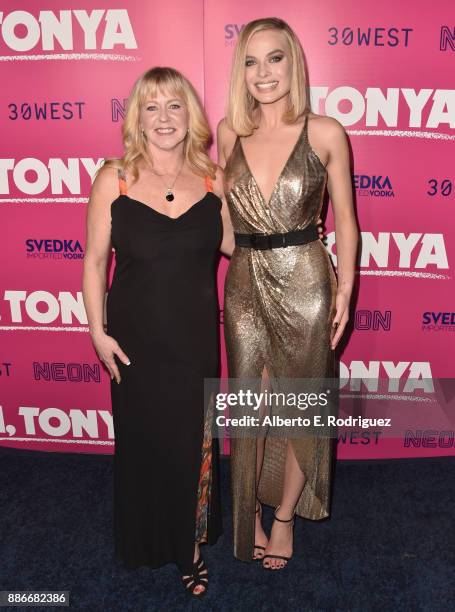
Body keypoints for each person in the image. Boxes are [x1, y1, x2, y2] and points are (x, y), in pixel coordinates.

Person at [82, 66, 233, 597]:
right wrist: (98, 333)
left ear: (189, 115)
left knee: (194, 443)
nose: (164, 117)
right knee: (144, 443)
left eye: (175, 105)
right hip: (133, 341)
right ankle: (145, 539)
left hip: (193, 342)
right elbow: (95, 259)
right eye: (152, 107)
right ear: (137, 119)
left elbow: (242, 248)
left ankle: (189, 548)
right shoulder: (114, 177)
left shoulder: (215, 180)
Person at [217, 17, 358, 570]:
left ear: (293, 63)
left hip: (306, 278)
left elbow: (346, 221)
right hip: (246, 278)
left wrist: (344, 285)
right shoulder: (229, 132)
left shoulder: (325, 132)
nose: (263, 73)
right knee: (252, 401)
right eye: (251, 62)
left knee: (300, 404)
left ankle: (283, 518)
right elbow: (224, 226)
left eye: (274, 58)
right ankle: (247, 510)